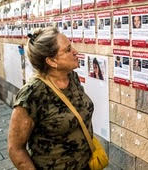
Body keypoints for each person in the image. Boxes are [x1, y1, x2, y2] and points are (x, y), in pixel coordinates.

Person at [8, 27, 94, 169]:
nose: (75, 51)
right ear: (52, 61)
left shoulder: (71, 77)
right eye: (67, 50)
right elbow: (15, 149)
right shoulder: (31, 94)